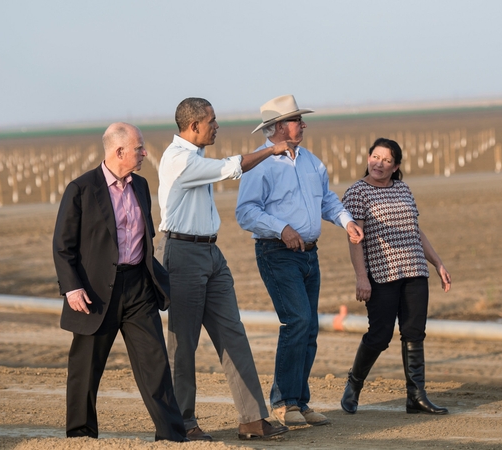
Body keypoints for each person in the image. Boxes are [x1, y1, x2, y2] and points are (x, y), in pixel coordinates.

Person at [158, 97, 292, 441]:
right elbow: (230, 167)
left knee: (233, 333)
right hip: (183, 254)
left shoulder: (195, 155)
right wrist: (270, 150)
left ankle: (252, 419)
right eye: (212, 121)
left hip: (210, 254)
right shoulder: (179, 160)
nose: (217, 126)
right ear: (194, 127)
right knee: (183, 344)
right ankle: (181, 423)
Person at [52, 122, 187, 442]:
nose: (144, 153)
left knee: (156, 364)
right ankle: (81, 437)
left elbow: (145, 240)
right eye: (139, 148)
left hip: (138, 288)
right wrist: (72, 287)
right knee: (85, 369)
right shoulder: (81, 189)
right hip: (95, 294)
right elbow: (62, 244)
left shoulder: (140, 186)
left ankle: (172, 437)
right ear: (119, 151)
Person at [236, 94, 364, 427]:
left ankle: (299, 402)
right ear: (278, 127)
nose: (302, 125)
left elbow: (328, 200)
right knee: (298, 322)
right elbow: (246, 212)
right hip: (277, 253)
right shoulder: (260, 163)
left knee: (308, 330)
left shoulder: (311, 161)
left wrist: (346, 221)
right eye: (296, 120)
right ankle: (283, 402)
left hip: (309, 253)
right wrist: (282, 229)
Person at [339, 137, 451, 416]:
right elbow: (355, 240)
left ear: (395, 166)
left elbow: (416, 230)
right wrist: (361, 278)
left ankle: (416, 396)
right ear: (368, 158)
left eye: (387, 160)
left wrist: (437, 263)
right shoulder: (357, 193)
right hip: (381, 273)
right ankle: (354, 385)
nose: (379, 163)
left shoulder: (402, 189)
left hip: (414, 270)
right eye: (375, 157)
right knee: (380, 335)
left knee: (414, 333)